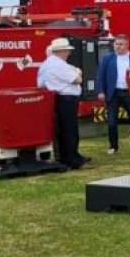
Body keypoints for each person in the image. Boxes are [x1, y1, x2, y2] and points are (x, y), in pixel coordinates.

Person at [42, 37, 88, 170]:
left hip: (63, 99)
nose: (69, 53)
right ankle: (72, 159)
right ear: (60, 51)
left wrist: (76, 71)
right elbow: (77, 79)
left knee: (66, 130)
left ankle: (71, 156)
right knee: (69, 130)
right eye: (67, 51)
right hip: (66, 99)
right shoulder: (58, 64)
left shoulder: (54, 62)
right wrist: (77, 72)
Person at [95, 34, 130, 155]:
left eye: (121, 44)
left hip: (129, 93)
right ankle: (113, 146)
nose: (118, 46)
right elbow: (100, 75)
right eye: (116, 44)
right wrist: (100, 91)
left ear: (127, 45)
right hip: (114, 93)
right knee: (112, 121)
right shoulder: (107, 58)